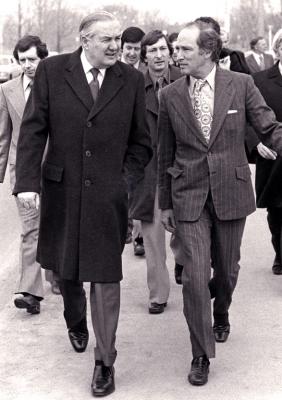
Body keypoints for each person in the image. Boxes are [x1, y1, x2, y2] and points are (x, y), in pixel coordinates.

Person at [13, 11, 152, 397]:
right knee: (66, 273)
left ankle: (105, 361)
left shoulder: (131, 81)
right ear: (84, 39)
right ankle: (75, 321)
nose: (114, 46)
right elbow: (33, 129)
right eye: (106, 39)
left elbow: (142, 143)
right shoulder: (53, 71)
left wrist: (122, 184)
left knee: (106, 277)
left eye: (117, 39)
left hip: (108, 197)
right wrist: (27, 183)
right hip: (61, 191)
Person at [158, 20, 282, 386]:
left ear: (207, 52)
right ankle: (200, 352)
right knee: (195, 277)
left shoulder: (241, 85)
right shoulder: (170, 95)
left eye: (183, 49)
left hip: (231, 191)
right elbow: (164, 150)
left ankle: (222, 310)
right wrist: (164, 202)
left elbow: (268, 126)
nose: (175, 55)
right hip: (188, 195)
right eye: (175, 48)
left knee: (226, 271)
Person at [0, 35, 59, 317]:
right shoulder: (8, 90)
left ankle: (58, 274)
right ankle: (30, 292)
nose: (27, 65)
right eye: (22, 60)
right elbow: (3, 135)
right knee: (30, 230)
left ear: (43, 59)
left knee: (56, 225)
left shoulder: (57, 87)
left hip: (56, 169)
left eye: (33, 60)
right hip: (23, 172)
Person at [129, 30, 182, 314]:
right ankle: (158, 294)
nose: (159, 56)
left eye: (163, 49)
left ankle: (183, 262)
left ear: (170, 52)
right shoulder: (135, 85)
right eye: (153, 51)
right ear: (144, 56)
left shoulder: (185, 80)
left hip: (183, 168)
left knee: (186, 233)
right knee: (152, 237)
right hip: (149, 171)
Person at [253, 29, 282, 275]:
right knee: (276, 210)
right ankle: (279, 251)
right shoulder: (260, 79)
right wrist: (256, 142)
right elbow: (245, 116)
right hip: (272, 157)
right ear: (278, 50)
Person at [120, 26, 146, 256]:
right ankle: (125, 226)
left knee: (138, 189)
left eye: (137, 49)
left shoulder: (145, 74)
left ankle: (139, 237)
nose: (132, 53)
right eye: (128, 48)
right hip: (117, 139)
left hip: (139, 138)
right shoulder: (111, 70)